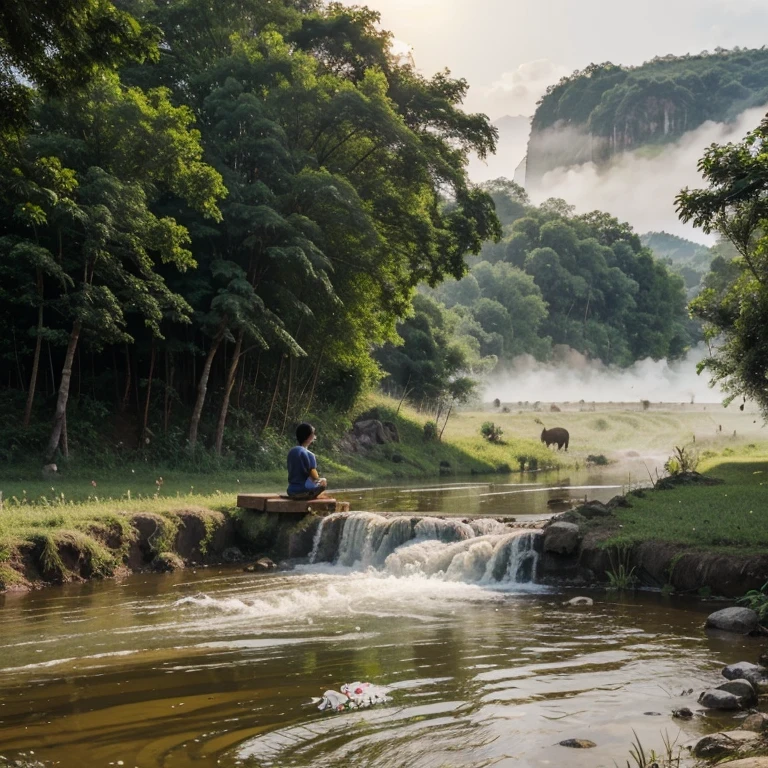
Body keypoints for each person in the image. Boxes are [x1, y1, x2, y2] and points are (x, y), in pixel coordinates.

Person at [286, 422, 327, 500]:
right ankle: (307, 494)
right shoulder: (310, 454)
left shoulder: (291, 451)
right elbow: (314, 476)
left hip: (291, 489)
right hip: (303, 488)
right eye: (313, 434)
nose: (315, 436)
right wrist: (320, 480)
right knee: (323, 482)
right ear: (309, 437)